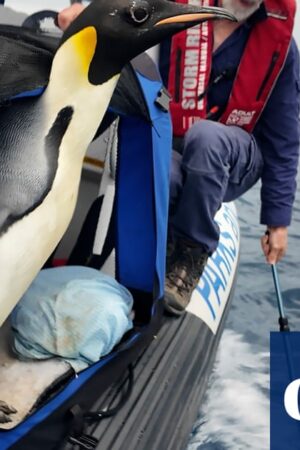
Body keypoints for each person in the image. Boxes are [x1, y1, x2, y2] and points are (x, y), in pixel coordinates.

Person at [59, 1, 300, 316]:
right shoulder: (178, 13)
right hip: (174, 144)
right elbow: (128, 12)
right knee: (162, 174)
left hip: (236, 158)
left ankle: (192, 254)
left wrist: (277, 221)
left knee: (207, 137)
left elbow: (284, 140)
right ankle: (138, 265)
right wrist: (82, 14)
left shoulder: (283, 48)